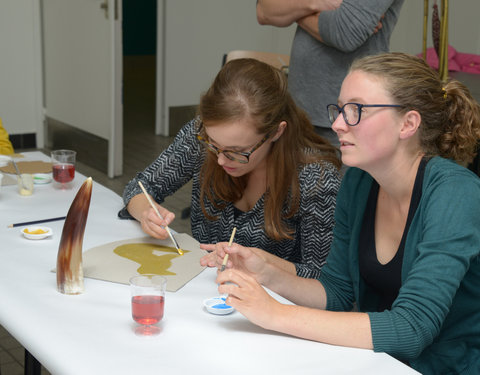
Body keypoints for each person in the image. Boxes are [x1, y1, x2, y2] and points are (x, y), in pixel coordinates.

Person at [214, 53, 480, 374]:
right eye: (340, 109)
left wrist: (274, 313)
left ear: (408, 123)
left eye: (356, 110)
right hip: (379, 362)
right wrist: (266, 274)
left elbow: (412, 328)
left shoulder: (455, 192)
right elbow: (337, 293)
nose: (338, 123)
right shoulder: (359, 181)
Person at [120, 58, 341, 278]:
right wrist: (145, 212)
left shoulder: (315, 178)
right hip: (202, 289)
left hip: (273, 304)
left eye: (237, 152)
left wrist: (260, 263)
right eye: (214, 146)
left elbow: (323, 280)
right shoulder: (200, 135)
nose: (221, 161)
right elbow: (140, 186)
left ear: (276, 132)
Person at [256, 0, 404, 146]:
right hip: (298, 111)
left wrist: (293, 12)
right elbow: (264, 10)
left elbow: (345, 32)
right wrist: (315, 3)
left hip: (347, 120)